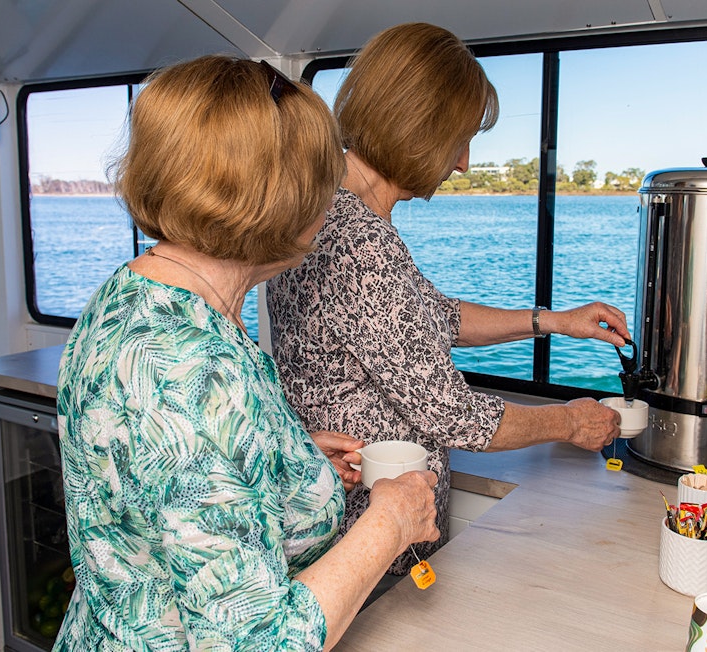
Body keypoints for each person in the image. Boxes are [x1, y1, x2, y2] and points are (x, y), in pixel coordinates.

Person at [53, 54, 439, 652]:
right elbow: (259, 642)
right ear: (276, 199)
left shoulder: (147, 296)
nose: (334, 198)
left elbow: (173, 475)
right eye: (323, 181)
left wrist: (289, 459)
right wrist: (389, 521)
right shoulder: (184, 370)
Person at [267, 23, 631, 586]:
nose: (462, 162)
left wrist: (551, 322)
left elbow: (431, 318)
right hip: (362, 538)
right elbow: (453, 414)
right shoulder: (359, 242)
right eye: (458, 139)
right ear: (417, 128)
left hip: (346, 525)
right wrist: (570, 420)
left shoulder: (331, 208)